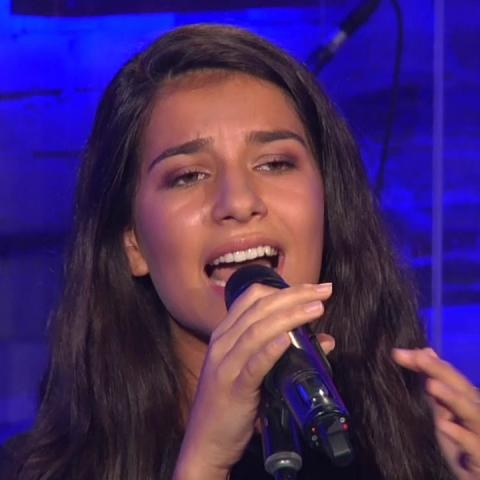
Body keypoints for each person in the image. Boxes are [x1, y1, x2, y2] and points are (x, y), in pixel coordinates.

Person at [2, 23, 479, 480]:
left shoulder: (418, 448)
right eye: (188, 175)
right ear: (133, 243)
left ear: (327, 204)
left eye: (274, 163)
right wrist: (205, 463)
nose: (239, 202)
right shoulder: (34, 470)